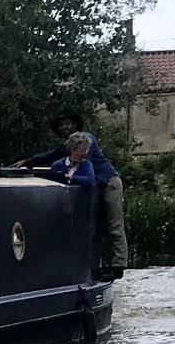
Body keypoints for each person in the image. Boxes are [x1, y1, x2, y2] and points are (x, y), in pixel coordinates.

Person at [19, 108, 126, 275]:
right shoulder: (67, 146)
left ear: (75, 125)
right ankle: (99, 265)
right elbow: (51, 156)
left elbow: (82, 167)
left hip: (109, 183)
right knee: (97, 228)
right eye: (61, 125)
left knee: (114, 225)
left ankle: (118, 266)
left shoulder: (85, 140)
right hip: (94, 188)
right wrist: (27, 163)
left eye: (67, 123)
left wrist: (67, 174)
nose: (64, 127)